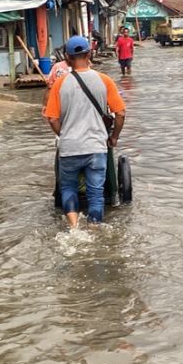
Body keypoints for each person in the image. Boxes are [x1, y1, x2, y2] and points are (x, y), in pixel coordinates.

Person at [45, 36, 126, 228]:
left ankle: (74, 227)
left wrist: (64, 134)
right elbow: (120, 114)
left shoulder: (59, 84)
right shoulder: (104, 80)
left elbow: (52, 118)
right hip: (96, 147)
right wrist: (114, 137)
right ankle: (94, 227)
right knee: (95, 192)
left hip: (70, 147)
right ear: (89, 54)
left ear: (67, 57)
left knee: (68, 188)